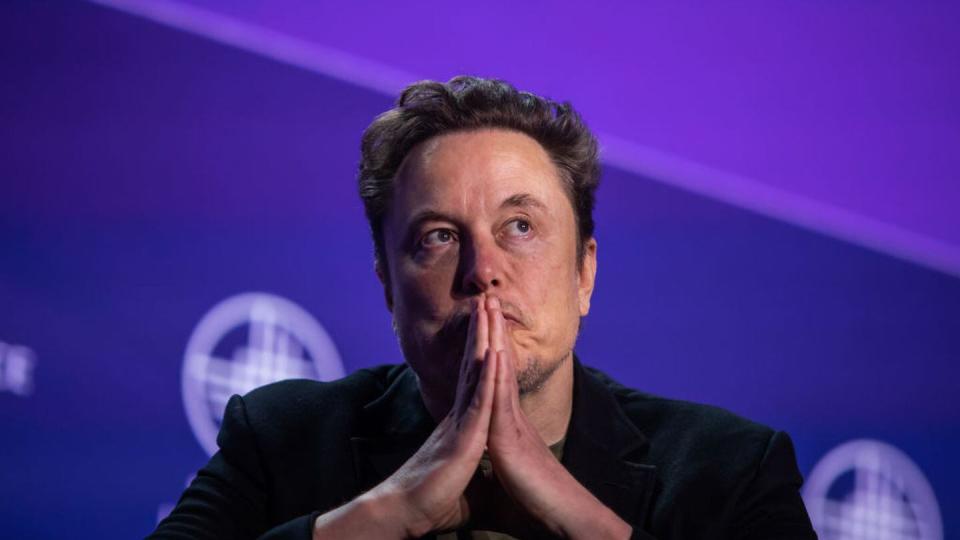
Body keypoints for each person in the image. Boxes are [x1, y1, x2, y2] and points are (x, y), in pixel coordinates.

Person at [150, 76, 816, 539]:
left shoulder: (729, 470)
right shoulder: (282, 439)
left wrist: (572, 513)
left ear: (585, 271)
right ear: (388, 288)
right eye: (438, 238)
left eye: (520, 226)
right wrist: (391, 512)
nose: (482, 272)